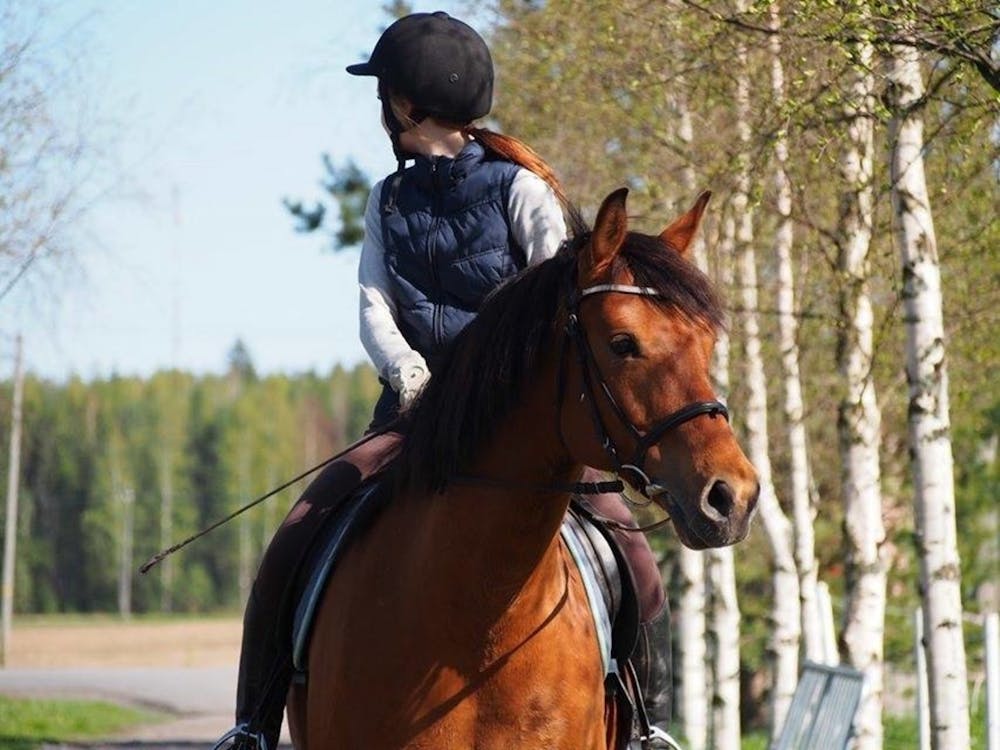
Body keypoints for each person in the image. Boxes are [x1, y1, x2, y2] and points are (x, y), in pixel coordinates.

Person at [217, 12, 671, 750]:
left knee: (635, 561)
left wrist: (494, 391)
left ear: (400, 104)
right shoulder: (387, 201)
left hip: (520, 422)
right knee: (299, 533)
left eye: (382, 96)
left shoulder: (520, 190)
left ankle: (647, 726)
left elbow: (552, 306)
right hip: (413, 412)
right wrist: (410, 375)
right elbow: (374, 305)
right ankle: (253, 727)